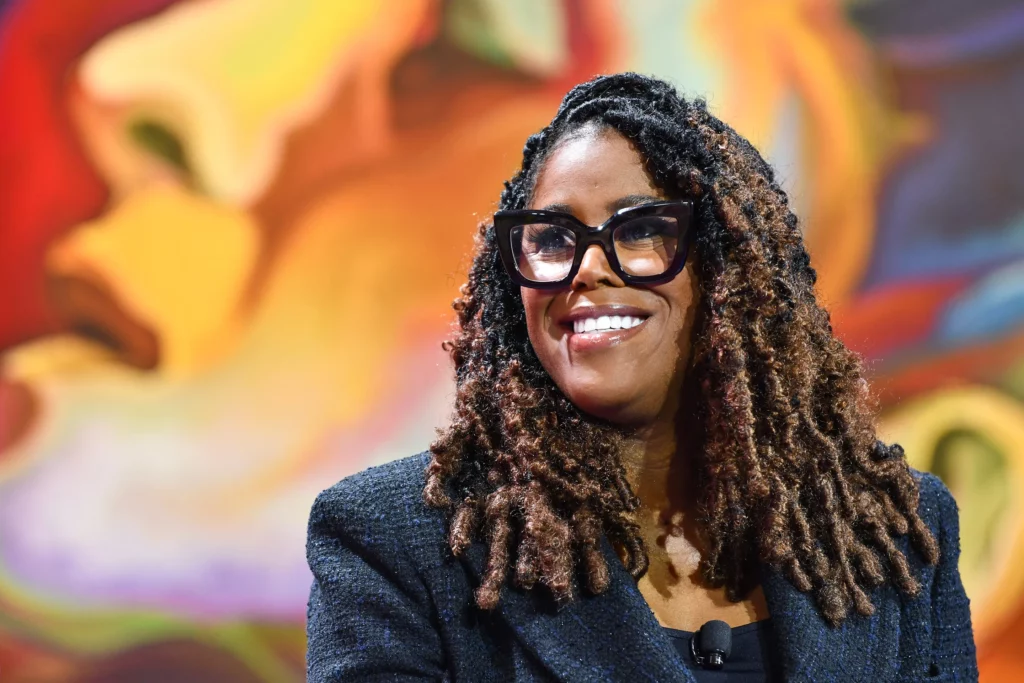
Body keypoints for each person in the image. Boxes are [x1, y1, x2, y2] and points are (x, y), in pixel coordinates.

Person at [305, 73, 978, 682]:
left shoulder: (895, 538)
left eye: (639, 230)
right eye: (552, 239)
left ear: (727, 271)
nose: (586, 268)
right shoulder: (395, 543)